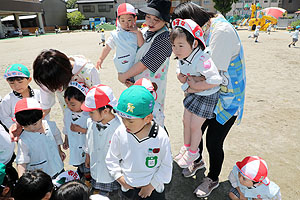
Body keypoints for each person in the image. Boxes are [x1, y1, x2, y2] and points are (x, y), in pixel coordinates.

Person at [172, 2, 246, 197]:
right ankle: (196, 160)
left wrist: (191, 83)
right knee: (197, 128)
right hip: (207, 95)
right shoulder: (206, 30)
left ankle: (212, 178)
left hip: (225, 99)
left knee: (214, 141)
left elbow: (213, 75)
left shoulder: (220, 31)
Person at [171, 18, 222, 168]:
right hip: (194, 93)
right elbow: (179, 69)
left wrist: (197, 86)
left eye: (181, 45)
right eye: (174, 45)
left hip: (206, 96)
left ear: (194, 43)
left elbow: (216, 79)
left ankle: (193, 153)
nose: (176, 49)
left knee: (194, 126)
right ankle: (186, 147)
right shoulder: (183, 56)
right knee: (185, 121)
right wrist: (180, 76)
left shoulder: (202, 58)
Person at [106, 85, 173, 199]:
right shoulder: (120, 132)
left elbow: (166, 165)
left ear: (147, 118)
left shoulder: (160, 136)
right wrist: (120, 178)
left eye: (130, 121)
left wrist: (151, 186)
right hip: (128, 187)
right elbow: (111, 158)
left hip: (153, 189)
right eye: (122, 118)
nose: (125, 123)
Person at [117, 0, 172, 127]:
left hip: (153, 88)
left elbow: (145, 63)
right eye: (148, 17)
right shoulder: (148, 32)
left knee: (152, 122)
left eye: (156, 19)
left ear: (164, 20)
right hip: (139, 84)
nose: (150, 22)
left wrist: (124, 76)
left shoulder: (164, 38)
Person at [81, 84, 120, 197]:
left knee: (113, 193)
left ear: (105, 111)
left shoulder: (119, 127)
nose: (89, 114)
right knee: (98, 189)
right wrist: (88, 154)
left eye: (92, 112)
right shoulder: (91, 122)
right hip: (96, 164)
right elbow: (89, 138)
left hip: (111, 171)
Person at [14, 98, 65, 178]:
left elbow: (57, 137)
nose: (31, 128)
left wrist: (59, 150)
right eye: (26, 126)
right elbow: (22, 161)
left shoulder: (51, 126)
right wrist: (22, 178)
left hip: (58, 167)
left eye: (34, 124)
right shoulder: (24, 139)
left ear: (42, 116)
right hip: (41, 176)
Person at [96, 2, 144, 83]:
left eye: (129, 20)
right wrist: (101, 59)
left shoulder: (137, 32)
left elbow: (141, 46)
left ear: (135, 19)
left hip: (135, 66)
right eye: (122, 20)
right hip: (123, 66)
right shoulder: (116, 34)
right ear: (118, 20)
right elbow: (107, 47)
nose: (126, 23)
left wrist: (138, 33)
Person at [62, 82, 90, 180]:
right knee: (79, 162)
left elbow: (94, 132)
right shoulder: (68, 112)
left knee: (87, 164)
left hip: (85, 146)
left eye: (73, 104)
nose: (69, 106)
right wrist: (66, 139)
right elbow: (66, 125)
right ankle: (81, 175)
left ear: (84, 101)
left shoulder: (89, 115)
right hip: (75, 143)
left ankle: (88, 180)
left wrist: (81, 130)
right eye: (67, 104)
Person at [0, 64, 41, 130]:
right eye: (12, 83)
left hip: (40, 129)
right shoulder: (7, 100)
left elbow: (45, 111)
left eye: (20, 82)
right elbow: (4, 117)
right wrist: (15, 127)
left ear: (29, 80)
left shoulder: (38, 94)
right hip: (21, 134)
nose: (16, 86)